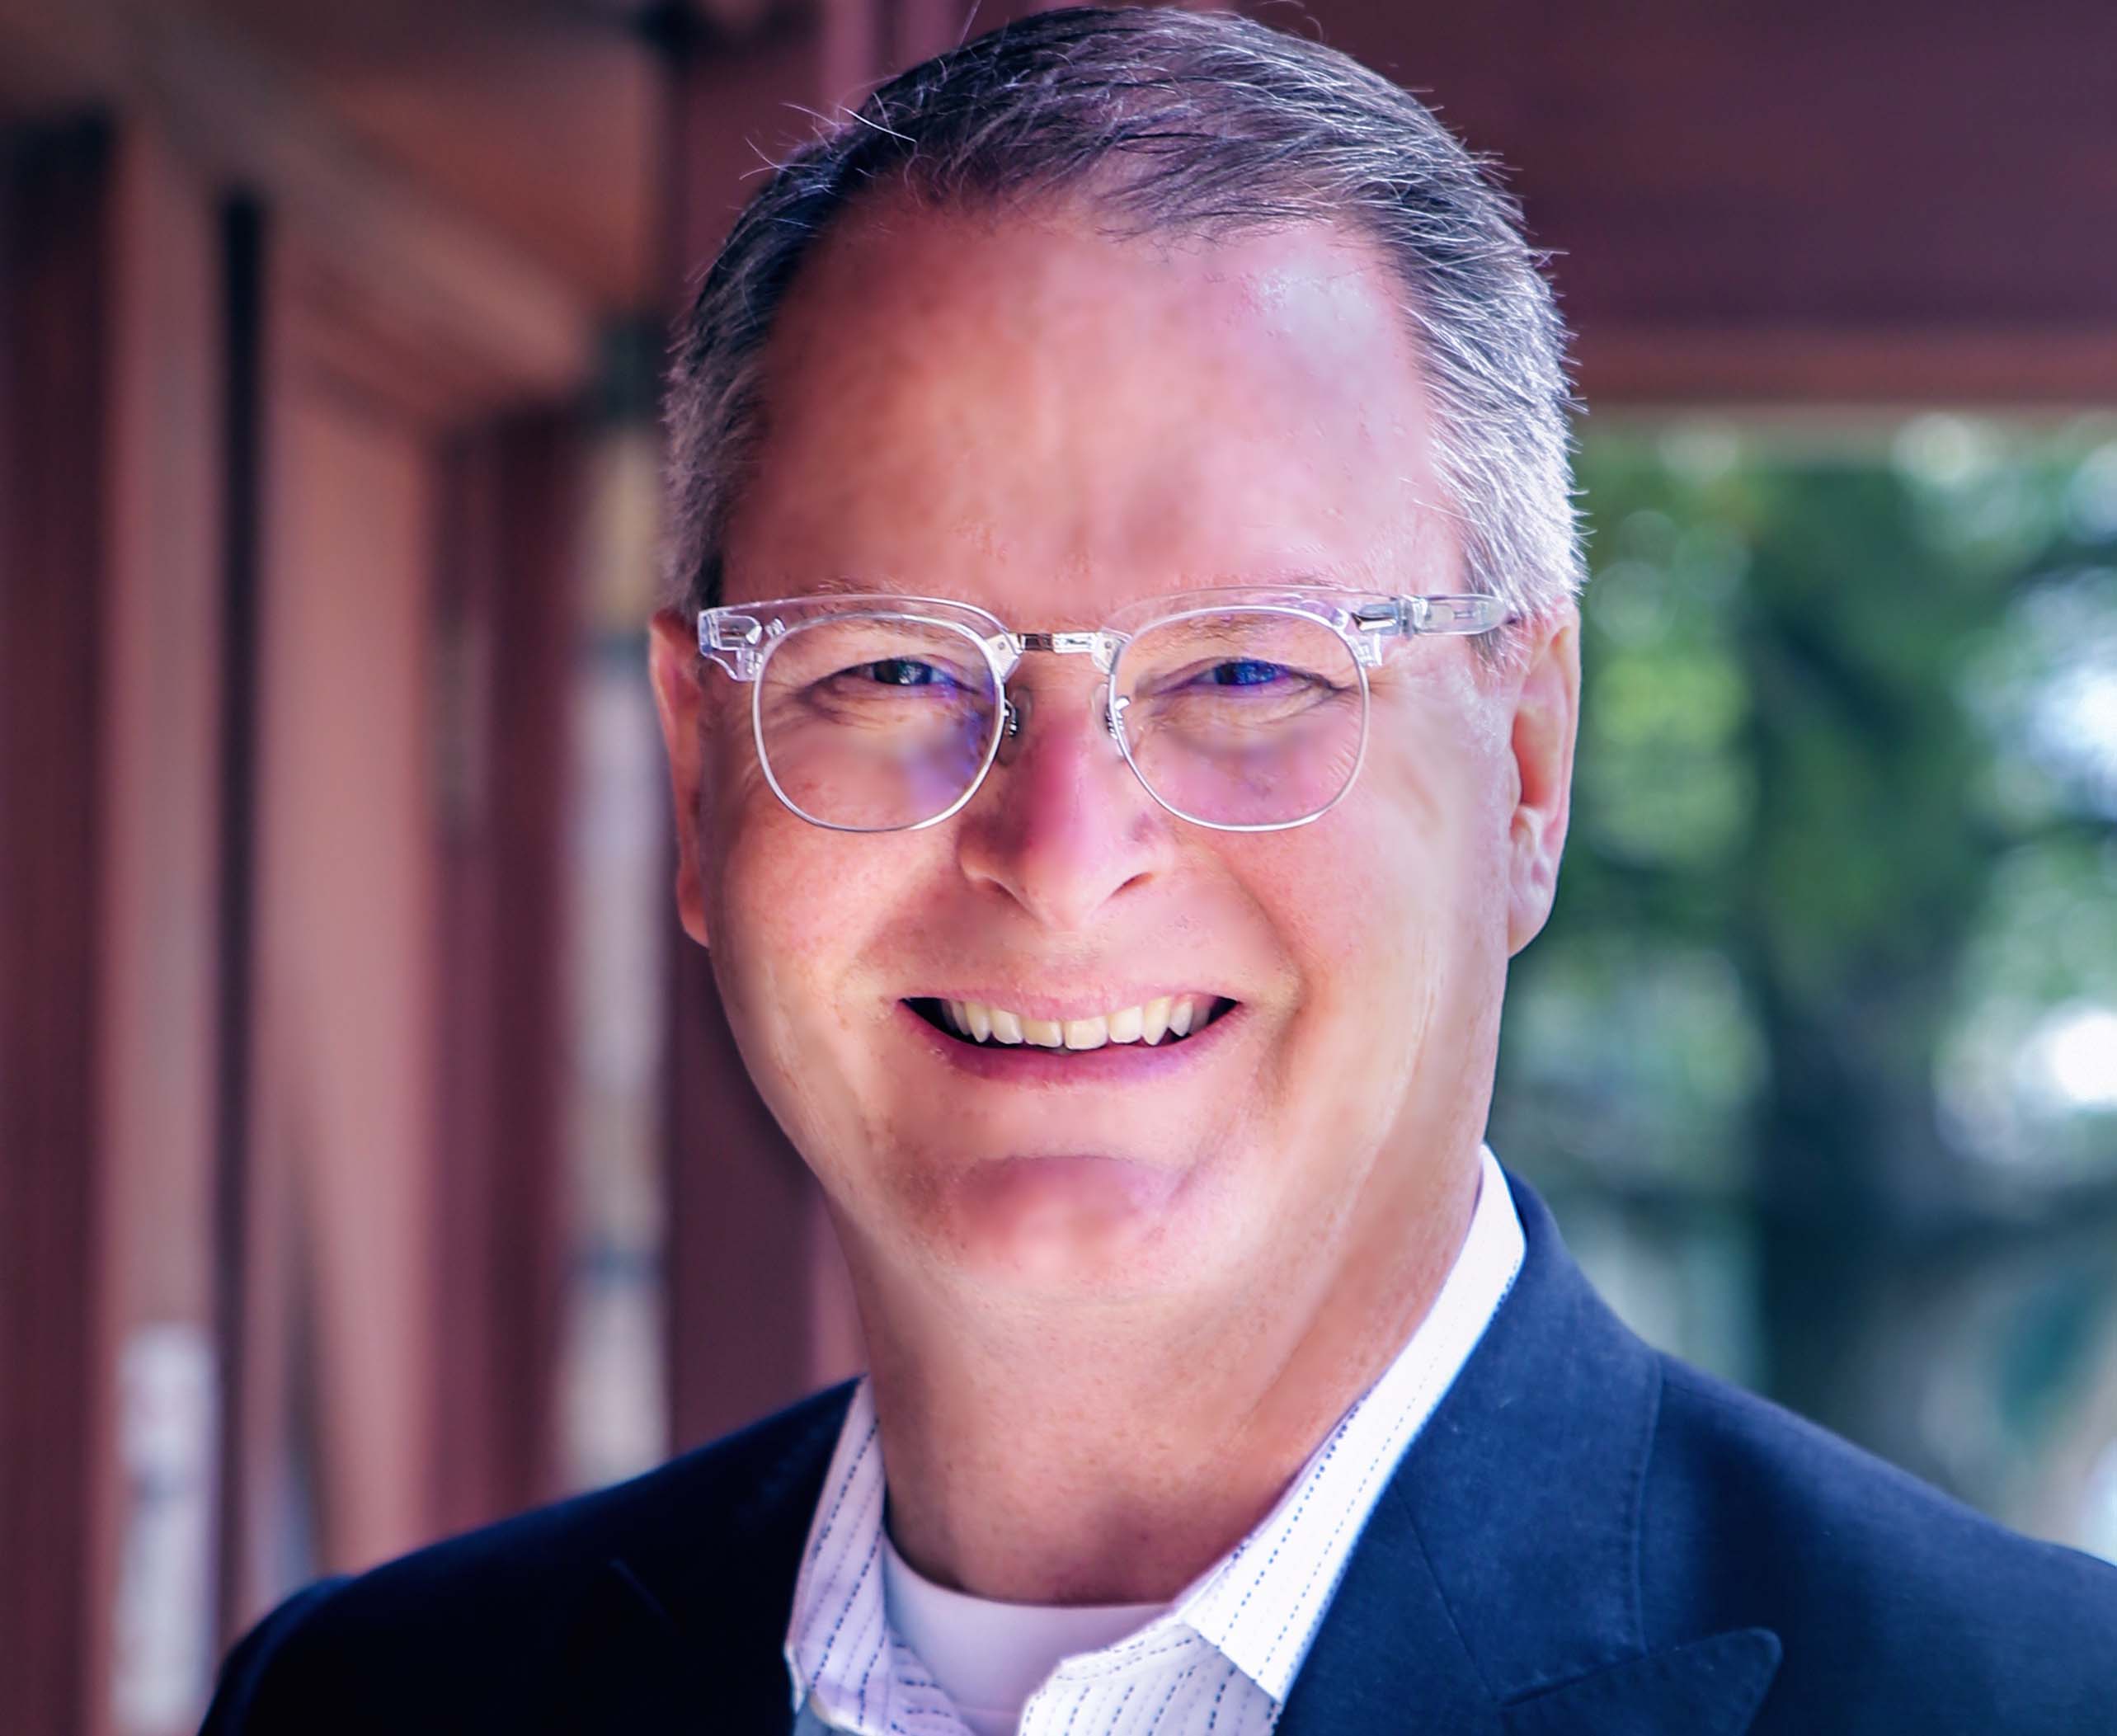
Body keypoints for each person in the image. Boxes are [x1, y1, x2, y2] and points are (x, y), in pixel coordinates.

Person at [200, 7, 2117, 1733]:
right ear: (701, 775)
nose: (1060, 853)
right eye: (893, 669)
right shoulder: (372, 1707)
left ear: (1528, 767)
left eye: (1248, 673)